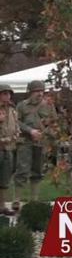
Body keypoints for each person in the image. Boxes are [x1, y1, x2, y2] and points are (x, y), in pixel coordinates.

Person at [14, 80, 57, 204]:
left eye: (42, 91)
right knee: (22, 170)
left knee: (37, 171)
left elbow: (54, 122)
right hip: (25, 141)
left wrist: (44, 133)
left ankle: (34, 200)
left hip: (41, 142)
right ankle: (17, 200)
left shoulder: (48, 106)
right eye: (37, 91)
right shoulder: (22, 105)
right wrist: (30, 131)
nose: (40, 94)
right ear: (30, 92)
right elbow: (16, 122)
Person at [0, 84, 18, 216]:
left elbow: (16, 126)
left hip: (8, 148)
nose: (8, 96)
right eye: (4, 93)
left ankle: (2, 206)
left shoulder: (12, 110)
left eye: (9, 93)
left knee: (4, 179)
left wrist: (15, 136)